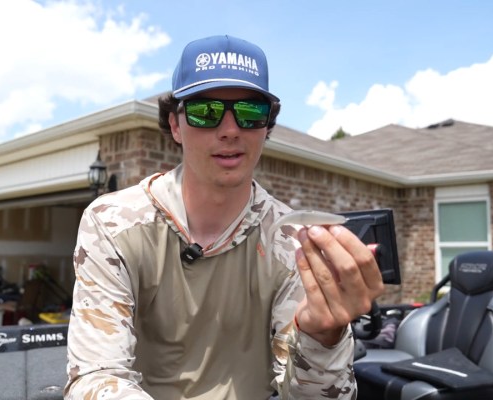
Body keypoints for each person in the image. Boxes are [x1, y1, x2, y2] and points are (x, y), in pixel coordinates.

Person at [64, 34, 384, 400]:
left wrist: (322, 337)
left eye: (251, 112)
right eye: (205, 111)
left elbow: (313, 395)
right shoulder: (112, 224)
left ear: (267, 127)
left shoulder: (290, 239)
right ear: (175, 125)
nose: (230, 130)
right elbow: (96, 377)